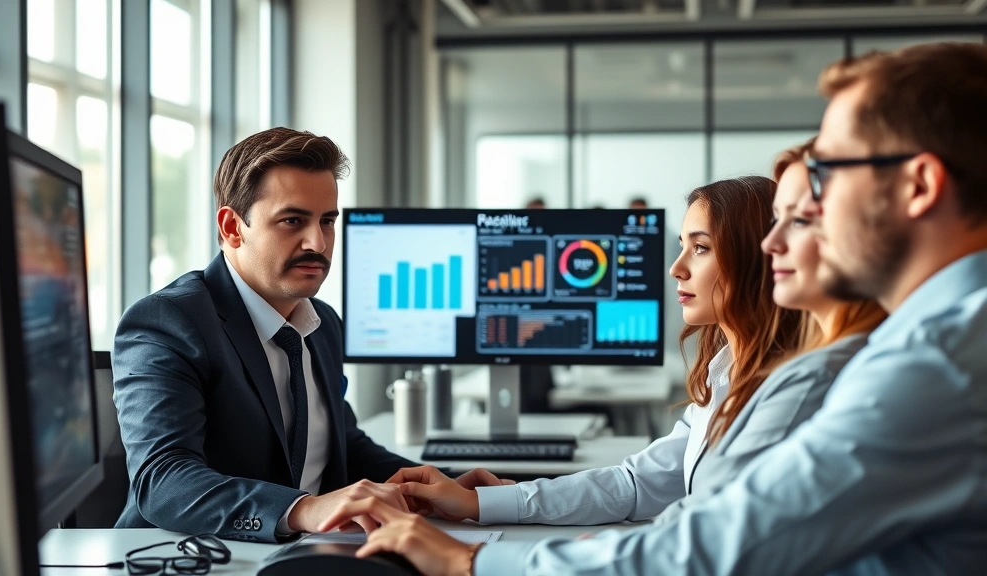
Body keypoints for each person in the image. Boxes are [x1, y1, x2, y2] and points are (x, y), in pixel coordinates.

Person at [316, 42, 987, 575]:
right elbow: (654, 486)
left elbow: (714, 549)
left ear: (921, 184)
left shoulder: (934, 367)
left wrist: (473, 560)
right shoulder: (931, 348)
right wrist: (482, 510)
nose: (803, 218)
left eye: (829, 174)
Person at [112, 128, 497, 543]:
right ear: (232, 227)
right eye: (293, 220)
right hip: (191, 556)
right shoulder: (168, 322)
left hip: (312, 549)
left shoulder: (322, 323)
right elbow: (164, 481)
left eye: (327, 221)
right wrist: (305, 509)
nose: (318, 242)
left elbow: (340, 443)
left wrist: (439, 489)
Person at [390, 176, 804, 527]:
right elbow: (636, 483)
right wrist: (481, 504)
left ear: (756, 259)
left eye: (700, 248)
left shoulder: (786, 392)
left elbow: (717, 537)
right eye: (682, 246)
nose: (676, 268)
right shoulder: (724, 376)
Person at [654, 139, 887, 521]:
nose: (675, 268)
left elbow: (714, 526)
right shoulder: (724, 367)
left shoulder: (808, 380)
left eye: (700, 248)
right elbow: (652, 482)